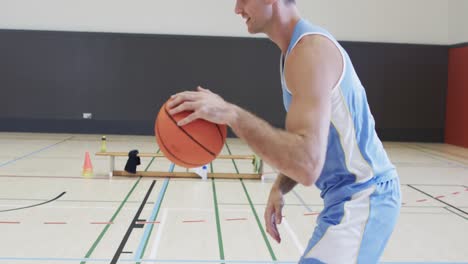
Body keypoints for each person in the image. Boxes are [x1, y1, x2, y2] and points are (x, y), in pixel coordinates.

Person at [167, 0, 401, 263]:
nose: (237, 8)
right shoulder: (294, 52)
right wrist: (280, 185)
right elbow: (309, 143)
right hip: (346, 198)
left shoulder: (310, 52)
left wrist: (231, 114)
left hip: (366, 196)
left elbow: (308, 165)